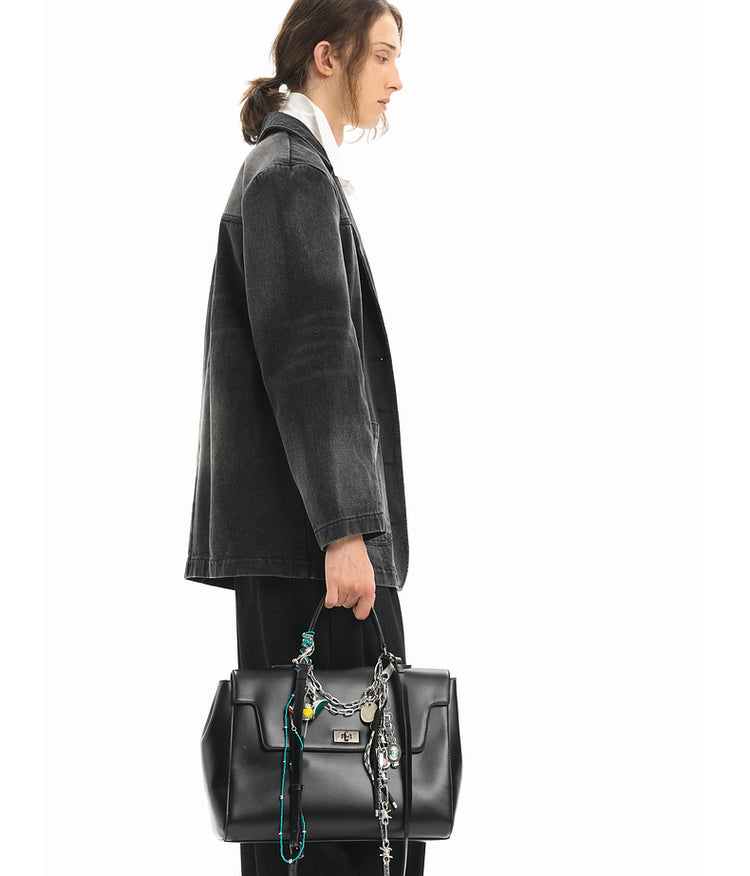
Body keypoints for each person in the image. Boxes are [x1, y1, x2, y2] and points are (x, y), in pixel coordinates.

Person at [183, 1, 423, 873]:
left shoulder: (289, 168)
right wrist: (346, 529)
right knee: (348, 825)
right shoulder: (289, 175)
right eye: (383, 55)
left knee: (314, 810)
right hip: (318, 553)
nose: (398, 79)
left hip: (303, 547)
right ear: (328, 56)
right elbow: (311, 361)